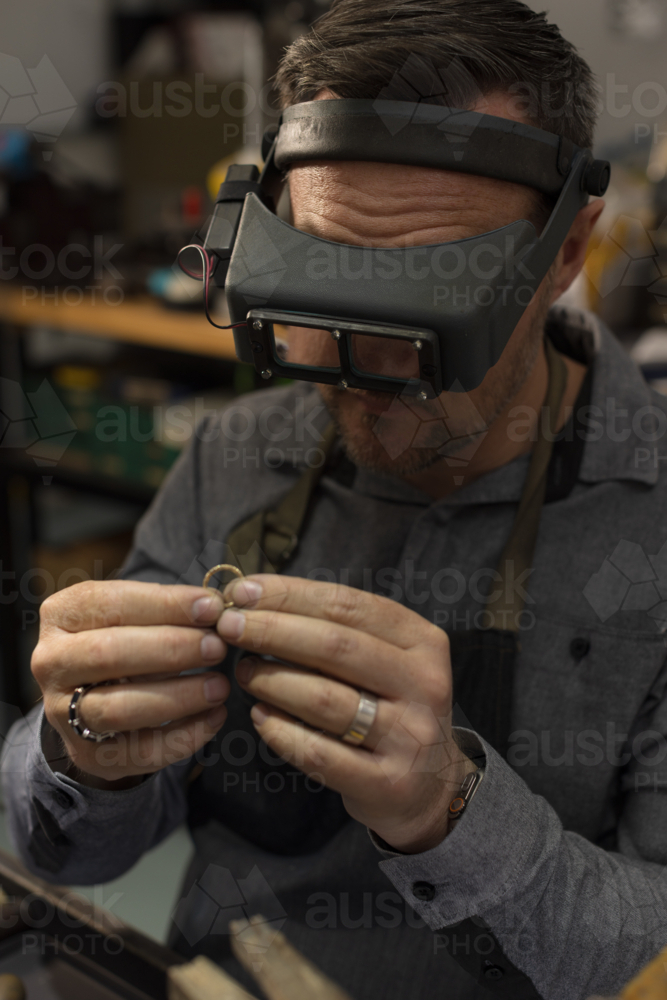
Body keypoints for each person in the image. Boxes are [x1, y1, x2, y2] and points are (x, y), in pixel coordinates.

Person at [3, 2, 667, 999]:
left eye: (437, 292)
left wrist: (452, 808)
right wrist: (80, 754)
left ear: (568, 250)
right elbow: (67, 850)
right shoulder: (237, 456)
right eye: (324, 275)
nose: (366, 360)